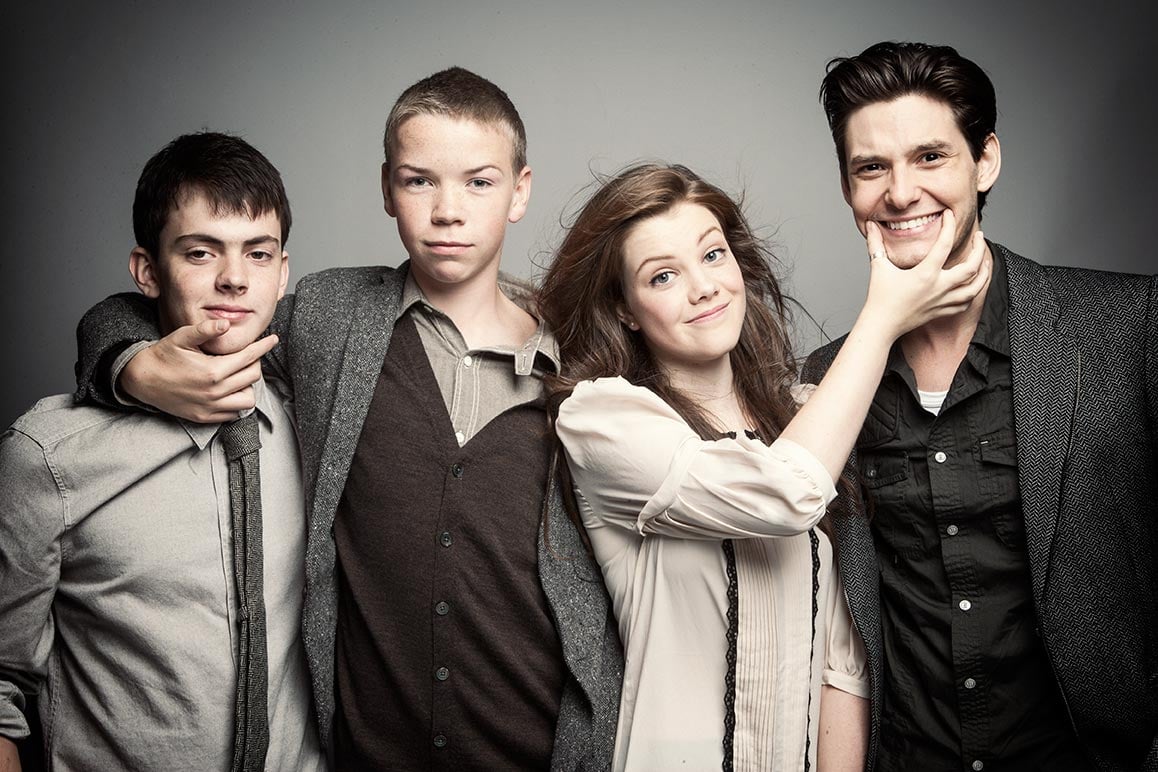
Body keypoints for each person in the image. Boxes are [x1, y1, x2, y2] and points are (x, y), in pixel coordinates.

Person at [71, 67, 623, 770]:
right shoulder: (331, 320)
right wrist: (131, 364)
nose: (448, 210)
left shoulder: (583, 356)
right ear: (387, 188)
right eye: (419, 181)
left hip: (544, 749)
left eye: (479, 182)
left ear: (519, 192)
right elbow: (152, 307)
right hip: (368, 753)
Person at [537, 162, 989, 771]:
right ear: (625, 309)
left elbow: (842, 661)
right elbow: (783, 494)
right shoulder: (603, 419)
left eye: (713, 255)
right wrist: (882, 319)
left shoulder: (807, 416)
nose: (704, 287)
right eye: (663, 275)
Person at [802, 41, 1158, 771]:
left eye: (930, 157)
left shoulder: (1127, 326)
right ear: (846, 188)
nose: (901, 192)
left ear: (984, 161)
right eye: (872, 168)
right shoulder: (825, 381)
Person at [0, 132, 325, 771]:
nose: (234, 279)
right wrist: (128, 364)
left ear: (283, 271)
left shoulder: (316, 414)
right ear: (147, 271)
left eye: (258, 253)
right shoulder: (50, 458)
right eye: (200, 252)